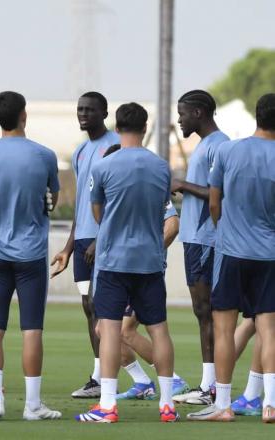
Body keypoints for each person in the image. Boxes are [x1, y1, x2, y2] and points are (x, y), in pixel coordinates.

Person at [75, 103, 178, 423]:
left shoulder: (104, 167)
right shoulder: (161, 167)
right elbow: (164, 210)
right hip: (149, 260)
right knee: (159, 330)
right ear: (145, 128)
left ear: (116, 127)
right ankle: (167, 405)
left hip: (113, 260)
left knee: (108, 328)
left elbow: (96, 213)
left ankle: (107, 405)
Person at [187, 93, 275, 423]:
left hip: (231, 251)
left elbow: (213, 202)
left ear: (257, 115)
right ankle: (270, 403)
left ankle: (222, 404)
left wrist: (224, 229)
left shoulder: (228, 150)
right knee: (269, 330)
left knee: (223, 329)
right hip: (269, 254)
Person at [0, 91, 61, 421]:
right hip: (31, 254)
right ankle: (32, 405)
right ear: (24, 115)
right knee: (31, 330)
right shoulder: (44, 155)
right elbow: (51, 196)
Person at [92, 145, 188, 400]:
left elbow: (173, 224)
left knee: (122, 331)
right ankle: (142, 381)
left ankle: (172, 380)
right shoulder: (120, 189)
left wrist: (153, 252)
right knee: (107, 330)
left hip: (141, 268)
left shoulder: (149, 185)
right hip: (127, 265)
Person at [51, 92, 119, 398]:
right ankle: (99, 375)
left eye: (90, 110)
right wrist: (68, 247)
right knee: (88, 307)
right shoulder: (80, 151)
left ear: (104, 112)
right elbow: (82, 204)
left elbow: (116, 199)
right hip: (81, 242)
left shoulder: (115, 146)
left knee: (102, 308)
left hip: (103, 241)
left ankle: (107, 378)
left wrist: (101, 236)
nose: (83, 114)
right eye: (80, 109)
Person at [170, 90, 229, 405]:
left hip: (206, 240)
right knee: (203, 312)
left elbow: (218, 192)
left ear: (199, 113)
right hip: (194, 238)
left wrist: (181, 184)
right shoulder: (206, 145)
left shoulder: (219, 145)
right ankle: (210, 385)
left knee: (208, 312)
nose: (179, 118)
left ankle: (212, 387)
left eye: (183, 113)